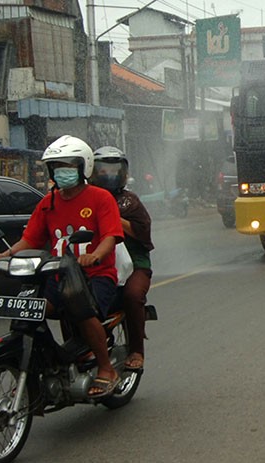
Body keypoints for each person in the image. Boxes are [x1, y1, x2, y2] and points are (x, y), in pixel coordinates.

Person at [0, 135, 124, 398]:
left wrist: (94, 255)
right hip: (57, 273)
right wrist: (5, 254)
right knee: (30, 308)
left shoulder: (100, 198)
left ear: (82, 167)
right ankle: (42, 363)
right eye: (56, 167)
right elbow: (31, 238)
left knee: (82, 310)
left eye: (67, 166)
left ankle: (107, 369)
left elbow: (110, 237)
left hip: (95, 275)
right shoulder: (48, 202)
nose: (62, 172)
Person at [89, 146, 154, 370]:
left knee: (133, 295)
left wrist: (113, 217)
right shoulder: (87, 199)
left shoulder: (129, 201)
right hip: (97, 264)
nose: (109, 174)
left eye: (114, 169)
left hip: (135, 264)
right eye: (103, 170)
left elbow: (143, 232)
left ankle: (136, 350)